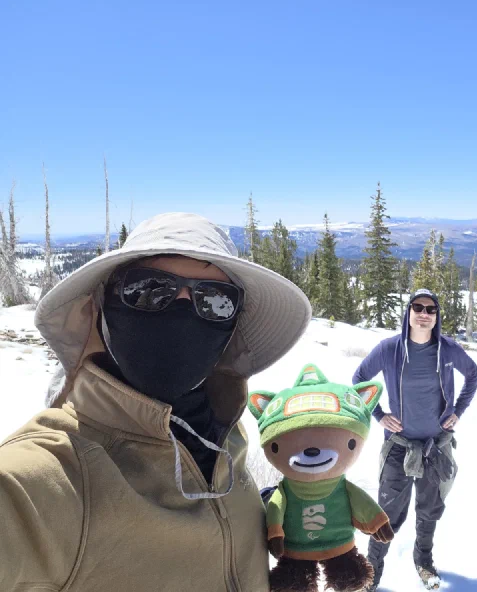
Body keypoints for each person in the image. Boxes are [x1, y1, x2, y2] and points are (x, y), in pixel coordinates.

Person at [0, 213, 311, 592]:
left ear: (232, 325)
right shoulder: (46, 477)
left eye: (215, 300)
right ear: (103, 306)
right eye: (148, 289)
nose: (182, 313)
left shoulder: (224, 437)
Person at [352, 289, 477, 590]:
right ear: (408, 312)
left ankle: (423, 562)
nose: (424, 313)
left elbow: (474, 375)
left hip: (436, 448)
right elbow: (359, 380)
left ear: (437, 317)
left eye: (430, 309)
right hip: (399, 447)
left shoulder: (447, 350)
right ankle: (371, 575)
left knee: (428, 511)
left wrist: (458, 411)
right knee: (386, 516)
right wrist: (379, 414)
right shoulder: (389, 349)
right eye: (418, 307)